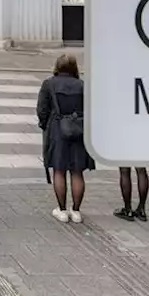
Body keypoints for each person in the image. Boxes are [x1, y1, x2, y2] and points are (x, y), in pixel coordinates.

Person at [37, 54, 95, 224]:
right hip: (79, 130)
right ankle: (76, 211)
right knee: (77, 171)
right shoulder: (82, 85)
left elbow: (42, 109)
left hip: (57, 129)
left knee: (59, 169)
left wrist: (45, 125)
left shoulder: (49, 84)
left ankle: (62, 210)